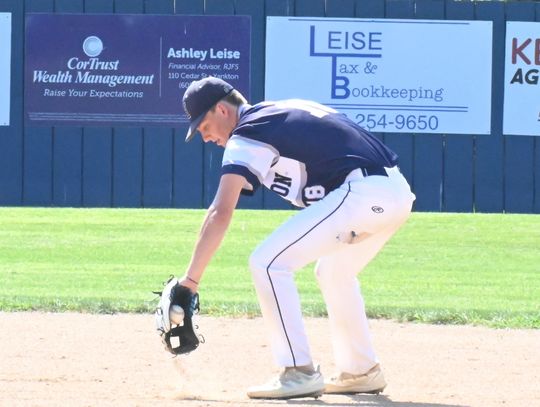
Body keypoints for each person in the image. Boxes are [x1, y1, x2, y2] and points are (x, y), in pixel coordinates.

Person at [178, 76, 416, 399]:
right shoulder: (272, 114)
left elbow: (220, 212)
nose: (206, 137)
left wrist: (190, 281)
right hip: (394, 192)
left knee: (267, 263)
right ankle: (361, 370)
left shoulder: (247, 133)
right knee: (333, 272)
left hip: (363, 192)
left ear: (221, 110)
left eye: (204, 127)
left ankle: (297, 371)